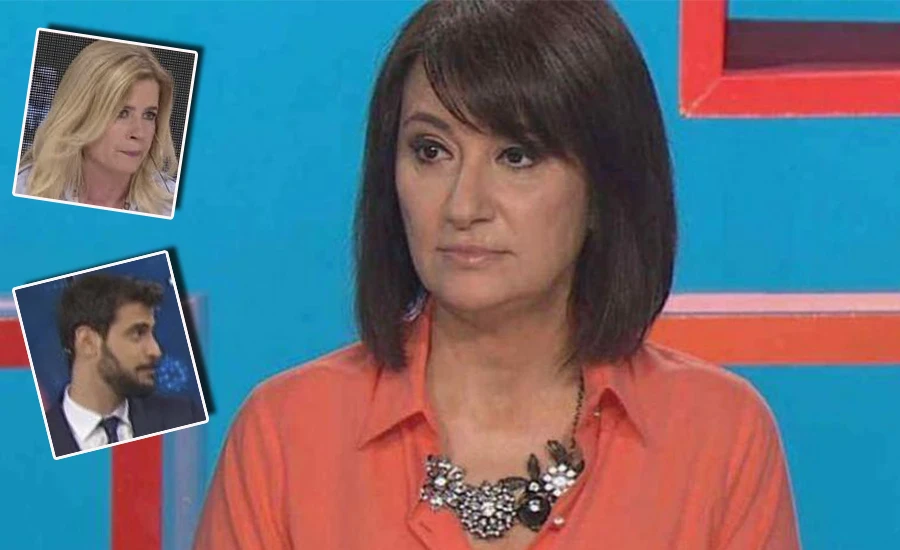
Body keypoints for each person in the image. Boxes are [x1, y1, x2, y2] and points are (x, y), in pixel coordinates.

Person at [194, 1, 801, 548]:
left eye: (517, 156)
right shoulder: (286, 435)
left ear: (604, 189)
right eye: (431, 151)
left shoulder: (718, 436)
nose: (463, 206)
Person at [44, 274, 204, 458]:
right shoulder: (36, 442)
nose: (156, 351)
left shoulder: (184, 418)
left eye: (151, 333)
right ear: (87, 342)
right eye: (138, 333)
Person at [15, 40, 177, 216]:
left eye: (149, 115)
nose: (139, 133)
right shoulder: (25, 190)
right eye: (122, 113)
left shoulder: (172, 206)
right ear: (81, 115)